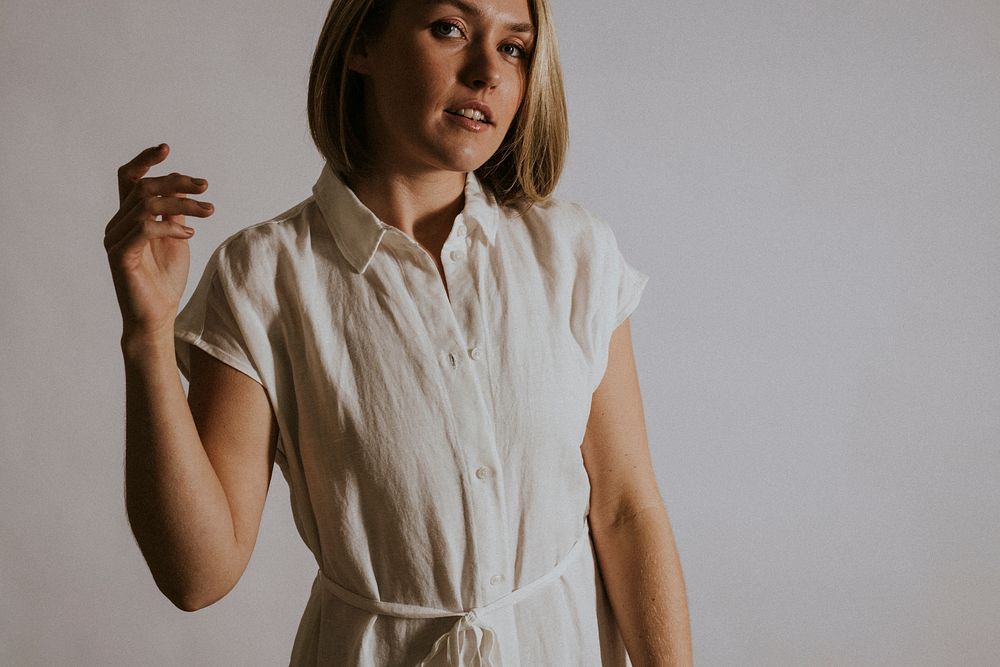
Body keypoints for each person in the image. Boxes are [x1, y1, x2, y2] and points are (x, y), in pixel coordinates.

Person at [103, 0, 693, 664]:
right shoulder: (264, 277)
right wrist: (147, 337)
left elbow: (625, 510)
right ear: (363, 44)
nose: (486, 73)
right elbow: (198, 575)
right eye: (451, 28)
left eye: (513, 49)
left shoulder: (574, 252)